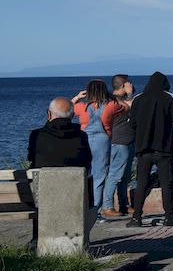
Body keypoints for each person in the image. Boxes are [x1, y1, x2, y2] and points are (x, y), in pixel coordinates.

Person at [127, 72, 173, 228]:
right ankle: (169, 217)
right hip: (163, 148)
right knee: (167, 183)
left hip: (143, 148)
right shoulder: (168, 97)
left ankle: (136, 218)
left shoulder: (139, 98)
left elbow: (131, 123)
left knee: (141, 183)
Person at [71, 80, 112, 214]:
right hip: (102, 140)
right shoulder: (110, 106)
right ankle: (95, 211)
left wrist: (77, 97)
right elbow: (126, 107)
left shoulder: (82, 106)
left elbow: (64, 109)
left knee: (82, 174)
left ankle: (80, 208)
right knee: (99, 176)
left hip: (84, 139)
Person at [99, 74, 135, 218]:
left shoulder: (120, 100)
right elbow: (129, 106)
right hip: (119, 142)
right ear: (122, 86)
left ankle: (123, 204)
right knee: (115, 175)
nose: (131, 86)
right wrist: (130, 93)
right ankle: (107, 206)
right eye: (128, 84)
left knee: (125, 176)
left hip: (128, 140)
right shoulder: (112, 101)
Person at [27, 98, 93, 170]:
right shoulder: (82, 136)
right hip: (74, 180)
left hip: (44, 180)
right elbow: (87, 162)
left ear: (49, 114)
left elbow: (31, 159)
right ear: (73, 115)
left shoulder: (36, 135)